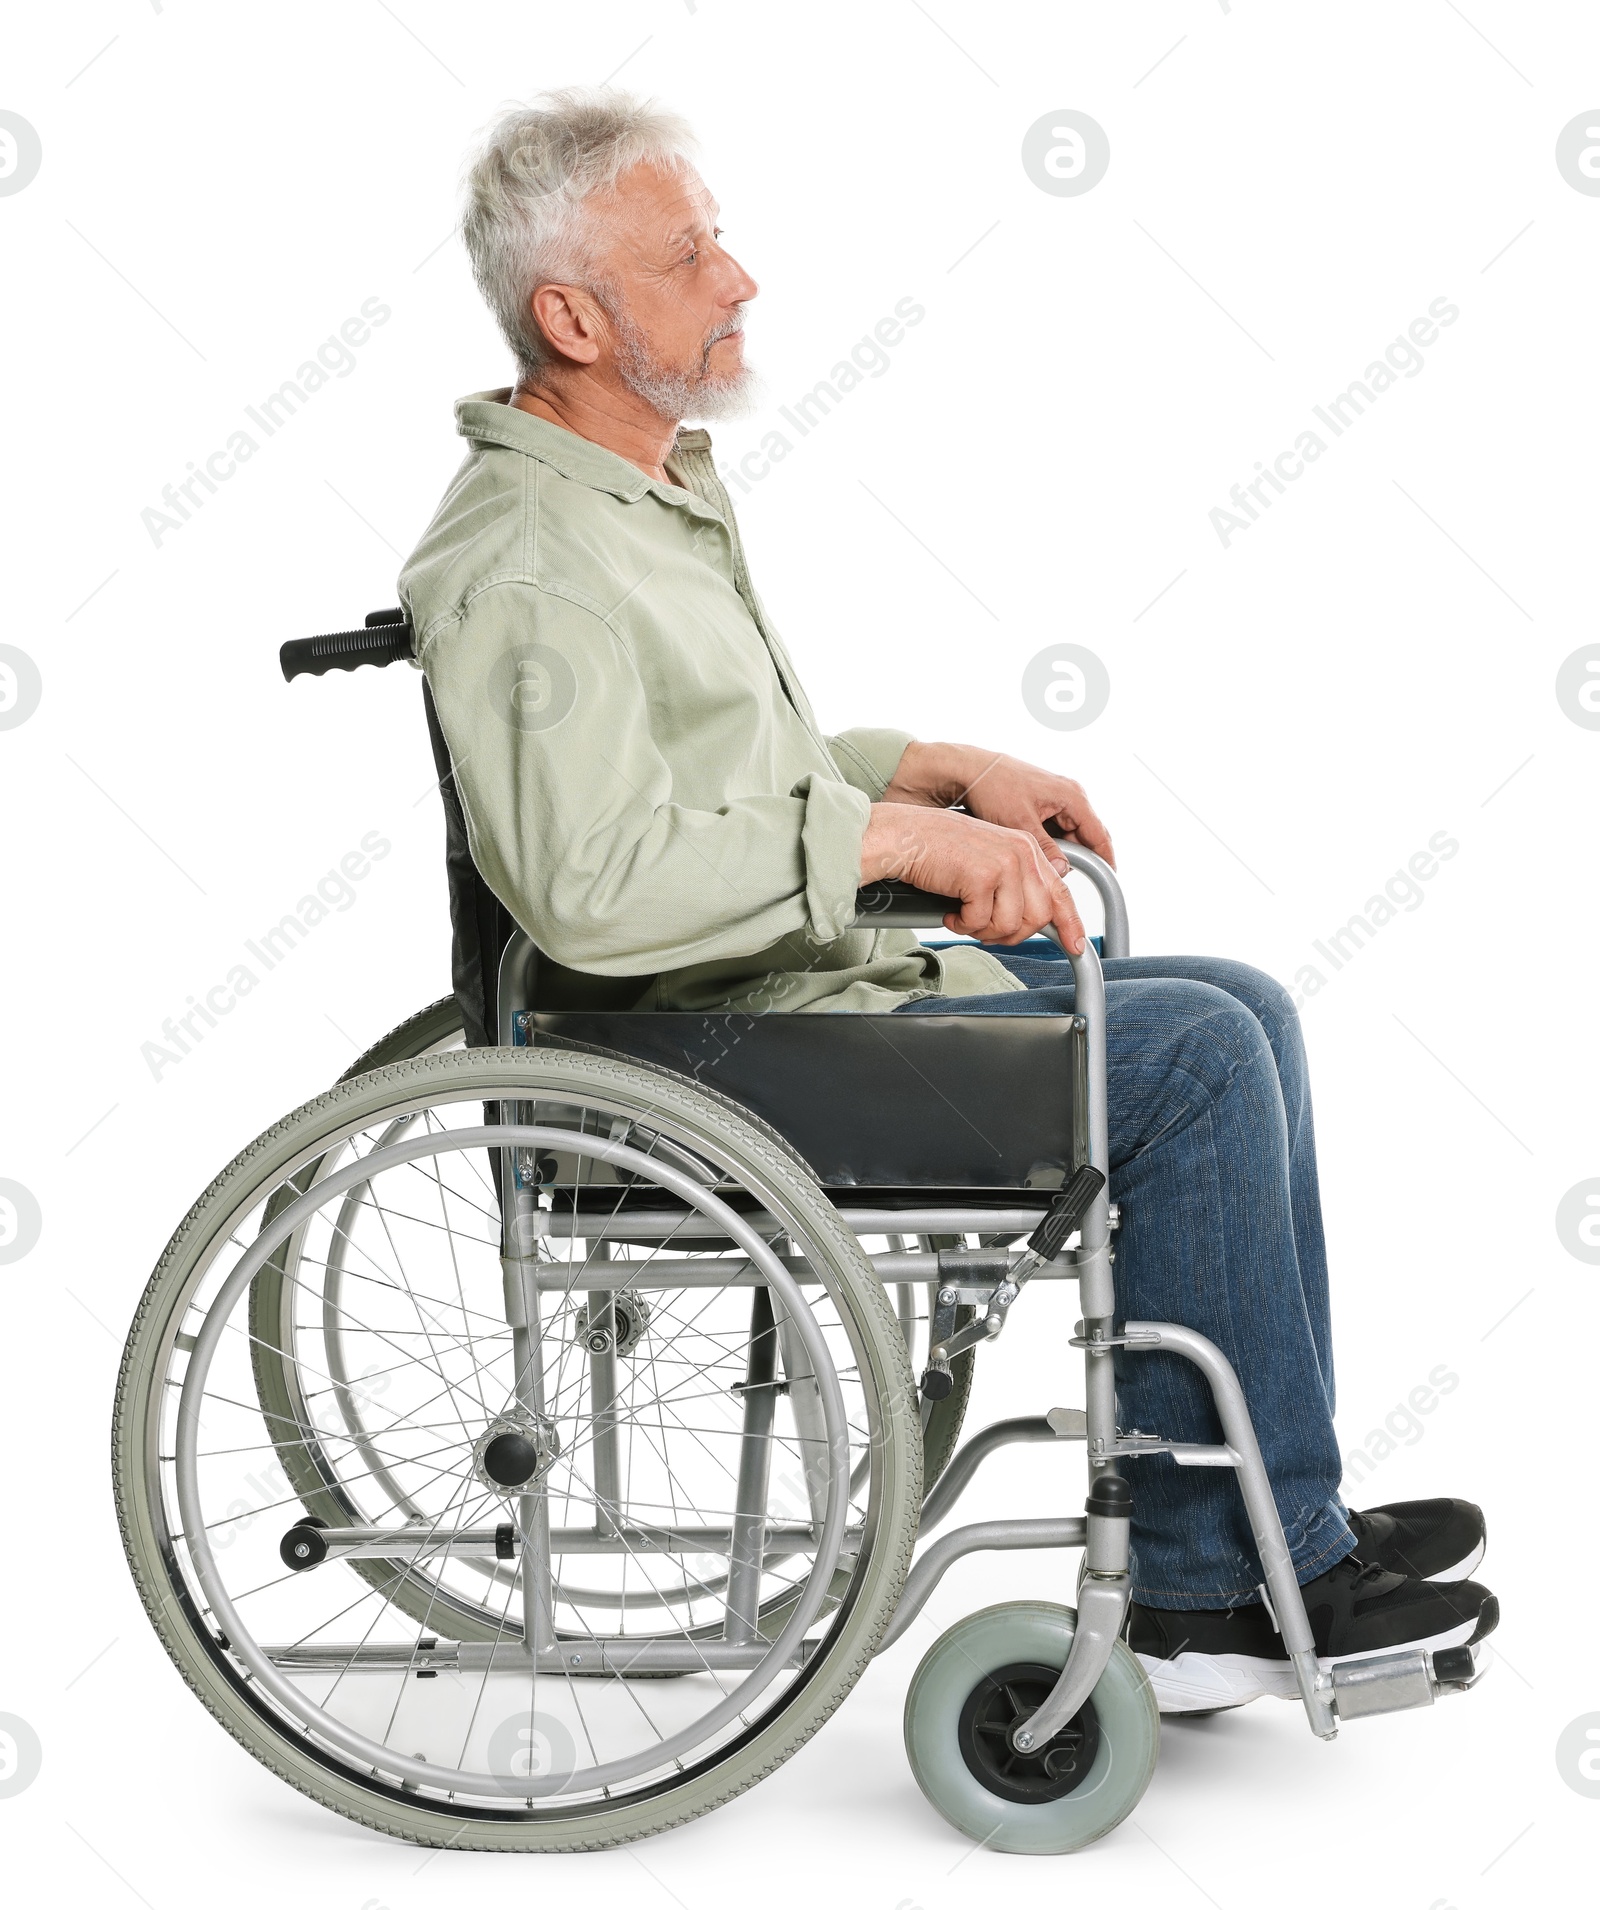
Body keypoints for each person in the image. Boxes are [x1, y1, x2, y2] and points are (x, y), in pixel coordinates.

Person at [402, 87, 1496, 1712]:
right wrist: (892, 847)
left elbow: (727, 773)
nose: (739, 281)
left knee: (1240, 1002)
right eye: (690, 254)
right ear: (573, 313)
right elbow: (594, 882)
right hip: (683, 1054)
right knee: (1186, 1054)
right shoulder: (527, 560)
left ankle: (1276, 1506)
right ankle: (1208, 1590)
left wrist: (922, 764)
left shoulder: (637, 497)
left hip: (772, 998)